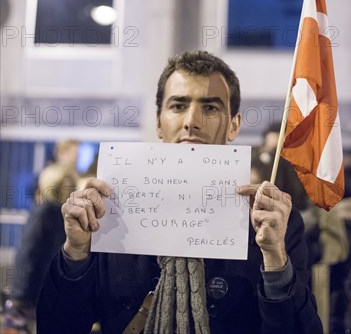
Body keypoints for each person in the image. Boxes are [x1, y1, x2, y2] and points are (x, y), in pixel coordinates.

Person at [37, 51, 322, 334]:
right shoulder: (110, 214)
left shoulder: (270, 223)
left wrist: (274, 259)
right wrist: (75, 254)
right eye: (178, 106)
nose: (191, 121)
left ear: (234, 125)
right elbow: (57, 326)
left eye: (210, 108)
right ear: (159, 123)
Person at [3, 163, 78, 333]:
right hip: (36, 295)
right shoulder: (46, 212)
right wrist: (20, 296)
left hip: (47, 293)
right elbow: (27, 254)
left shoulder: (59, 212)